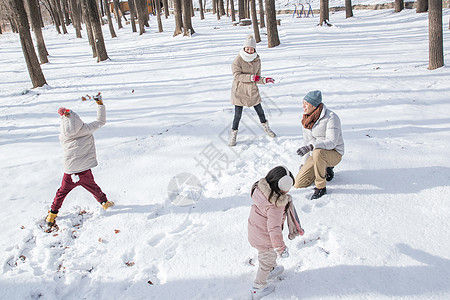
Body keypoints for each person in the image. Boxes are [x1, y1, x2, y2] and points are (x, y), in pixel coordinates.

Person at [45, 94, 114, 227]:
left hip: (70, 170)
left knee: (61, 193)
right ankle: (104, 203)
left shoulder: (63, 135)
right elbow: (101, 121)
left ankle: (52, 214)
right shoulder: (86, 129)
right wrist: (100, 104)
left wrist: (64, 116)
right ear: (78, 120)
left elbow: (67, 122)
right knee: (93, 187)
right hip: (84, 169)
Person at [248, 166, 294, 299]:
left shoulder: (261, 192)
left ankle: (272, 269)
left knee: (268, 257)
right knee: (265, 261)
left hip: (256, 232)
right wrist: (280, 248)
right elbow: (274, 229)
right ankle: (258, 288)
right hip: (266, 238)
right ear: (282, 188)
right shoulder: (275, 206)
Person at [294, 90, 344, 200]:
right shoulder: (306, 120)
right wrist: (303, 164)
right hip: (315, 154)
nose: (303, 106)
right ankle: (322, 168)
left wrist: (311, 147)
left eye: (306, 104)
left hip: (334, 153)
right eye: (303, 103)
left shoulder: (331, 117)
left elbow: (332, 142)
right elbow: (307, 143)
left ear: (314, 105)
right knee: (299, 183)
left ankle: (321, 187)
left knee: (318, 152)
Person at [229, 35, 276, 147]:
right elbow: (236, 76)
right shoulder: (238, 60)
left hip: (252, 91)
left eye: (252, 48)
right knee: (237, 115)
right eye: (247, 48)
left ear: (254, 49)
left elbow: (257, 77)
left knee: (260, 111)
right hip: (239, 91)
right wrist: (251, 78)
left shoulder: (257, 60)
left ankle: (266, 128)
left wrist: (264, 80)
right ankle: (233, 135)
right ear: (244, 48)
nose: (249, 50)